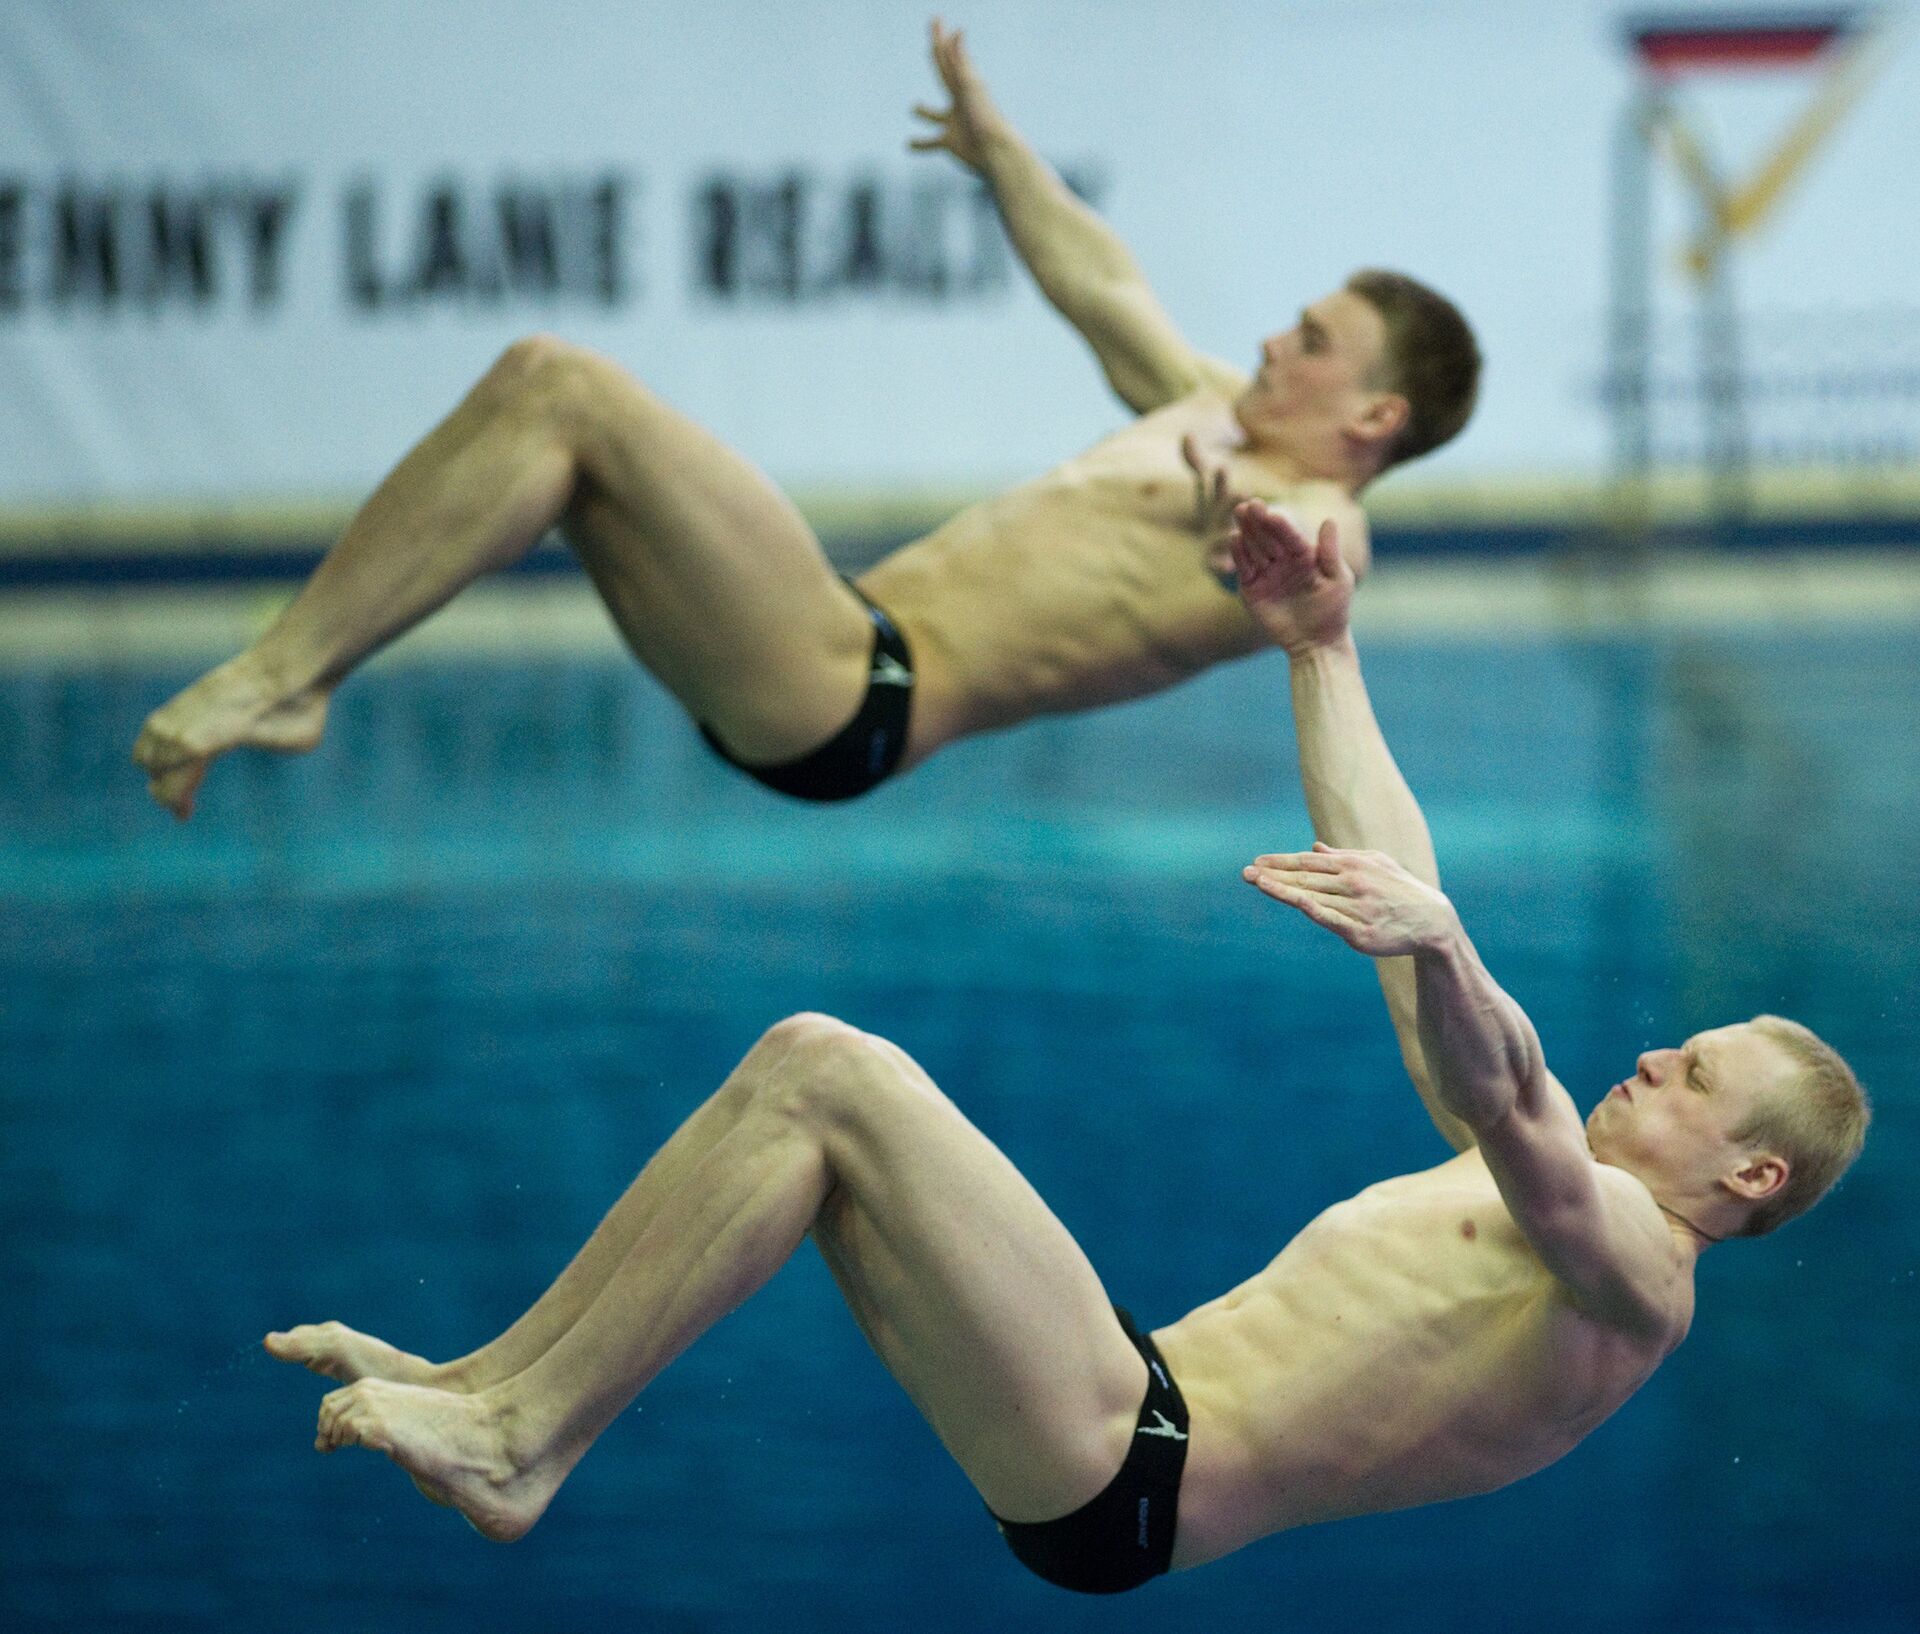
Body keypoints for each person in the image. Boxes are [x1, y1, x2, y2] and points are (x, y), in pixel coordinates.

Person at [261, 503, 1867, 1592]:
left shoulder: (1642, 1276)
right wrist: (1320, 645)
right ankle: (497, 1389)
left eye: (1698, 1069)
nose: (1655, 1054)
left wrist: (1445, 938)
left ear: (1752, 1168)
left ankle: (523, 1437)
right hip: (1115, 1421)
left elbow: (1510, 1087)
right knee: (799, 1094)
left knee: (836, 1068)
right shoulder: (1537, 1193)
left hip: (1136, 1456)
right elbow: (1414, 916)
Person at [132, 19, 1479, 819]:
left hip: (857, 694)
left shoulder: (1326, 525)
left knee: (562, 384)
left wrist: (1225, 512)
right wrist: (1002, 151)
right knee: (556, 441)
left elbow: (1298, 571)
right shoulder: (1202, 404)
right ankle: (303, 669)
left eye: (1309, 341)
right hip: (824, 647)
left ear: (1376, 411)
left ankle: (287, 674)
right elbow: (1099, 279)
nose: (1268, 342)